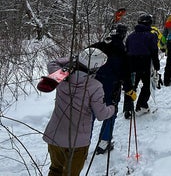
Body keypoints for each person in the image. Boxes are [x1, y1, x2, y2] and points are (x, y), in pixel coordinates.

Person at [43, 48, 116, 176]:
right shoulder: (94, 86)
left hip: (54, 136)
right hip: (77, 143)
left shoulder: (60, 76)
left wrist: (72, 60)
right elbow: (102, 115)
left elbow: (52, 62)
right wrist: (112, 107)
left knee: (55, 170)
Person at [90, 24, 129, 155]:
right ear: (123, 35)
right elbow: (125, 73)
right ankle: (103, 143)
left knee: (90, 114)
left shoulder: (98, 45)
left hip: (93, 85)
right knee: (110, 114)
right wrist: (129, 89)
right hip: (112, 87)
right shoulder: (122, 51)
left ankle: (83, 145)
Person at [123, 14, 160, 118]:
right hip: (145, 62)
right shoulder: (151, 35)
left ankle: (128, 109)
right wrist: (156, 65)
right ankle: (141, 105)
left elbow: (127, 50)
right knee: (147, 85)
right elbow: (154, 51)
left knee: (131, 85)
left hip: (131, 62)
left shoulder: (130, 36)